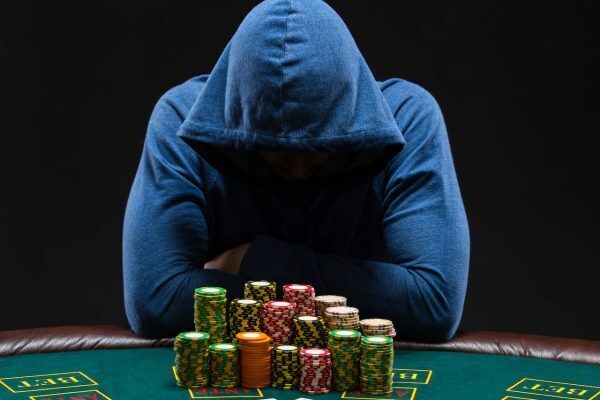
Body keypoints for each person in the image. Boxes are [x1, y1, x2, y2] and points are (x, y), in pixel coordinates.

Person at [122, 0, 470, 341]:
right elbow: (157, 302)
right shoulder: (182, 121)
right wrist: (375, 293)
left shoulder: (409, 120)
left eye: (320, 148)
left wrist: (254, 259)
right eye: (274, 151)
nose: (300, 170)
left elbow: (433, 304)